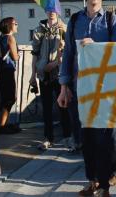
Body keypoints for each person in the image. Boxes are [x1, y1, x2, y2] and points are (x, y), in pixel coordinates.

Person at [57, 0, 116, 197]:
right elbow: (68, 54)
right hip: (81, 86)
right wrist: (64, 86)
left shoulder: (111, 20)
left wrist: (96, 46)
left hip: (105, 87)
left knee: (106, 138)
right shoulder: (76, 20)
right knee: (86, 138)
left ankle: (105, 185)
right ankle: (92, 181)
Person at [30, 11, 71, 151]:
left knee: (63, 106)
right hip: (43, 74)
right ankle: (48, 138)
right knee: (46, 108)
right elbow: (35, 54)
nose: (51, 12)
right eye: (49, 9)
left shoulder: (63, 29)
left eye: (54, 9)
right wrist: (33, 75)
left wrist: (54, 64)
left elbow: (67, 52)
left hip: (59, 74)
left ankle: (67, 137)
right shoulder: (39, 29)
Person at [0, 17, 20, 135]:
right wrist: (18, 56)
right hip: (8, 70)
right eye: (15, 24)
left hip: (0, 71)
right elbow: (15, 57)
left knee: (5, 98)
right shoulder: (10, 38)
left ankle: (3, 123)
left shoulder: (0, 38)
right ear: (10, 26)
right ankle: (2, 125)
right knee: (10, 98)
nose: (17, 26)